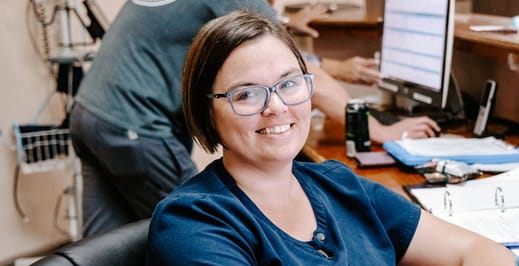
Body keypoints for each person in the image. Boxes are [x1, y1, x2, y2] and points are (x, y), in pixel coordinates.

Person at [146, 10, 519, 266]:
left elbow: (467, 252)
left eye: (289, 84)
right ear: (207, 112)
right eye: (246, 94)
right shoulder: (190, 224)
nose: (277, 107)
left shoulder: (336, 184)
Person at [70, 0, 437, 238]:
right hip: (135, 125)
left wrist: (295, 28)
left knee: (102, 258)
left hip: (90, 114)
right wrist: (378, 130)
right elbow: (286, 66)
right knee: (206, 230)